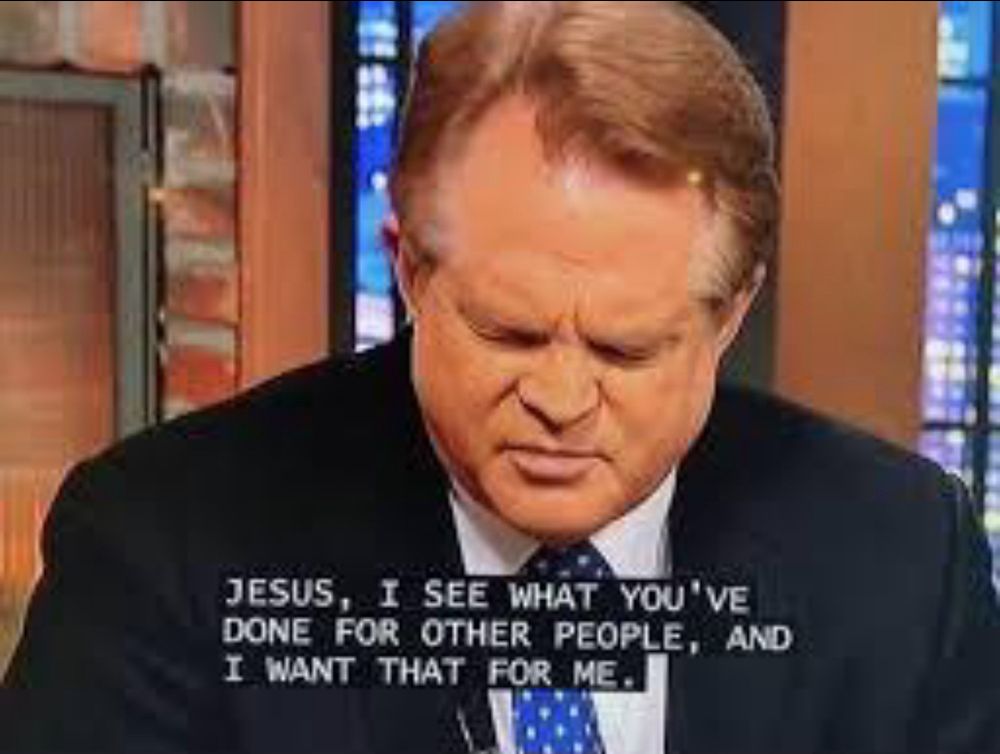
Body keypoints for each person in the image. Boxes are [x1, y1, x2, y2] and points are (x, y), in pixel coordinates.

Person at [3, 2, 999, 753]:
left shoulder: (904, 557)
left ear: (731, 313)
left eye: (625, 349)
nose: (560, 403)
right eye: (508, 333)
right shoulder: (166, 545)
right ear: (408, 267)